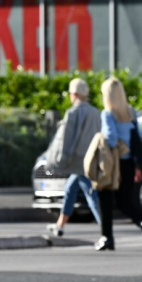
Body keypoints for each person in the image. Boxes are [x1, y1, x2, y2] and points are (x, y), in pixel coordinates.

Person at [94, 77, 142, 251]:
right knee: (124, 201)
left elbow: (111, 138)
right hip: (128, 163)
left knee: (104, 197)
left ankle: (107, 237)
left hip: (113, 164)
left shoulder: (108, 114)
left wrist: (101, 139)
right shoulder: (130, 112)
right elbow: (136, 139)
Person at [45, 78, 102, 236]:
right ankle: (60, 225)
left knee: (91, 195)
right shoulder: (96, 113)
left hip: (78, 161)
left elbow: (66, 140)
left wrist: (62, 160)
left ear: (75, 94)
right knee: (71, 189)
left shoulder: (73, 113)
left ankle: (105, 229)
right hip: (91, 159)